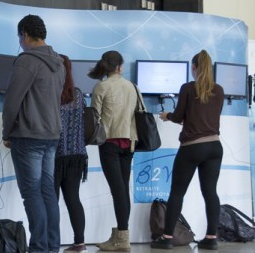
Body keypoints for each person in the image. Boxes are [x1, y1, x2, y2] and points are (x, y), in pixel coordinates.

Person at [2, 14, 64, 253]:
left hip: (28, 136)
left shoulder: (26, 61)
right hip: (51, 136)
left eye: (20, 37)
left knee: (31, 193)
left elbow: (12, 101)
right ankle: (51, 246)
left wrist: (7, 132)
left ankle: (39, 248)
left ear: (25, 35)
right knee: (47, 191)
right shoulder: (58, 62)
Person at [150, 50, 224, 251]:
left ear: (193, 68)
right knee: (210, 193)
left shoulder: (188, 88)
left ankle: (167, 238)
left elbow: (179, 116)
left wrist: (167, 115)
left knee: (177, 192)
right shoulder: (219, 90)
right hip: (215, 146)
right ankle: (211, 237)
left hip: (192, 147)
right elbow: (209, 115)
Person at [88, 51, 140, 252]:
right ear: (120, 67)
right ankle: (120, 233)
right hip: (130, 142)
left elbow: (94, 118)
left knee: (117, 191)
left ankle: (122, 237)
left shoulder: (101, 87)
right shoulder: (132, 87)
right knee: (122, 190)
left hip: (109, 142)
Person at [55, 54, 88, 253]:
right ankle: (80, 243)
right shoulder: (78, 94)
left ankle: (52, 241)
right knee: (73, 199)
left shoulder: (50, 93)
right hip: (76, 155)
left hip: (55, 155)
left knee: (51, 200)